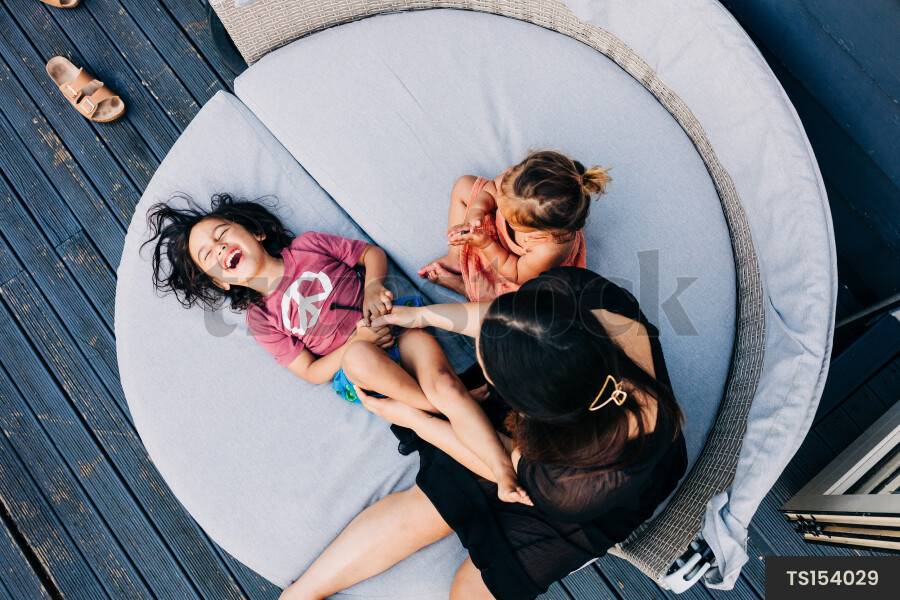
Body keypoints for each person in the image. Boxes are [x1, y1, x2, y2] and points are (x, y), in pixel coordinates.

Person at [278, 266, 688, 600]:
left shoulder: (574, 485)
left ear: (528, 409)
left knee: (468, 591)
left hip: (585, 498)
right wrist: (419, 315)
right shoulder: (579, 296)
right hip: (561, 430)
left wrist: (420, 419)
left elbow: (503, 469)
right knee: (435, 501)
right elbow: (504, 317)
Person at [142, 193, 530, 504]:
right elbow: (310, 371)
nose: (219, 246)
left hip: (394, 326)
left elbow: (370, 254)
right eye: (209, 255)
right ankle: (438, 408)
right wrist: (353, 344)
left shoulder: (308, 246)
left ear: (255, 233)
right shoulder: (261, 318)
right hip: (358, 366)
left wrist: (375, 285)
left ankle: (501, 467)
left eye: (222, 233)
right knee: (363, 357)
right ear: (222, 283)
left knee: (444, 382)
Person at [418, 151, 611, 301]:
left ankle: (464, 287)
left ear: (544, 231)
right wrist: (477, 210)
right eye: (502, 202)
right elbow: (492, 189)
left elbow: (517, 274)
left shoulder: (550, 248)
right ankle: (455, 258)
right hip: (497, 238)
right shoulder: (518, 180)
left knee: (517, 304)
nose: (500, 210)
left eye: (511, 220)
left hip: (516, 269)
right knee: (464, 184)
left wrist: (486, 245)